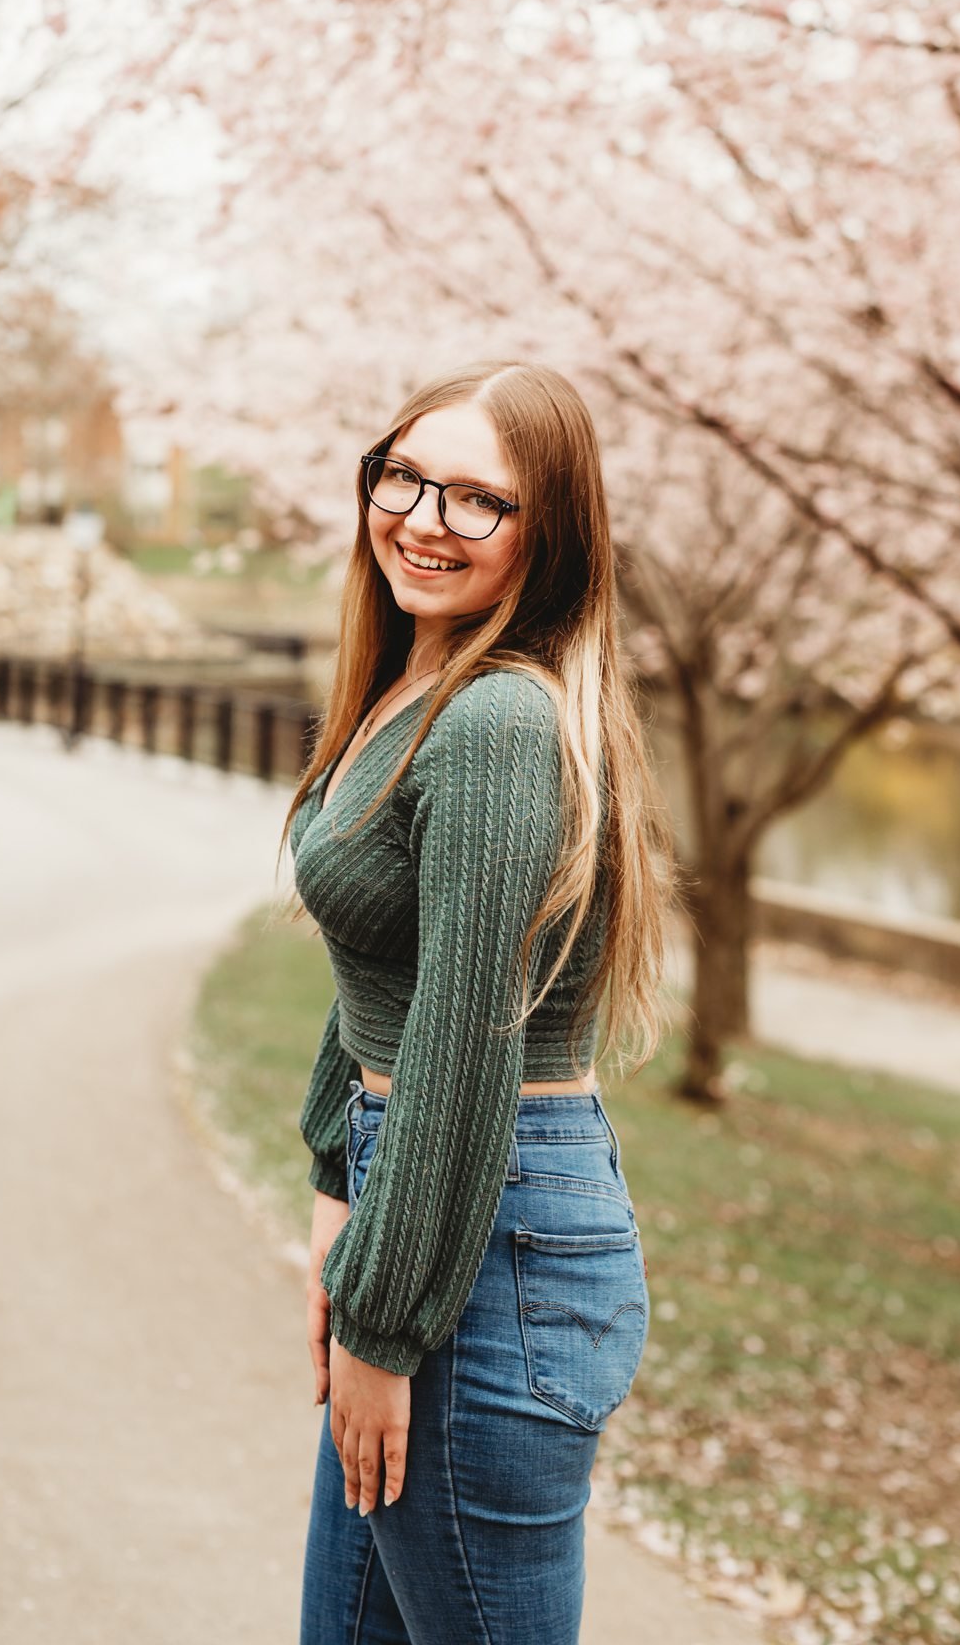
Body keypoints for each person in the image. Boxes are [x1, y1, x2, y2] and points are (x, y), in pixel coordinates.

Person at [282, 358, 675, 1645]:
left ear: (546, 532)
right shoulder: (418, 685)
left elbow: (462, 1043)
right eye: (403, 476)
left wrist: (385, 1319)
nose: (423, 519)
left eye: (477, 499)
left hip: (487, 1234)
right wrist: (339, 1181)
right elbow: (383, 971)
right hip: (423, 1200)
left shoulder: (499, 722)